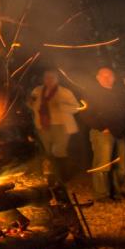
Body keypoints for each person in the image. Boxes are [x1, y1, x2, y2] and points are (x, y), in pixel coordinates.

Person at [27, 70, 82, 200]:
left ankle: (62, 177)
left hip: (61, 126)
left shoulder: (64, 92)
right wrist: (30, 103)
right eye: (47, 78)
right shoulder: (38, 90)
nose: (49, 80)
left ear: (57, 79)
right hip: (43, 126)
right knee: (48, 153)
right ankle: (52, 179)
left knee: (59, 152)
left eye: (52, 78)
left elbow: (76, 107)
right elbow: (32, 105)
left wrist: (62, 106)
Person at [80, 66, 125, 201]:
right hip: (102, 134)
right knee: (103, 166)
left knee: (122, 168)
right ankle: (102, 195)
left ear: (114, 78)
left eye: (110, 76)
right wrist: (102, 127)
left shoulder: (118, 93)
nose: (107, 78)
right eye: (104, 76)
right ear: (98, 78)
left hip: (119, 133)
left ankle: (116, 192)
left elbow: (124, 112)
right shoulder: (91, 93)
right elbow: (85, 113)